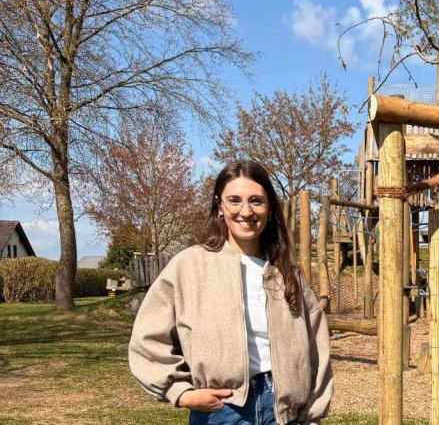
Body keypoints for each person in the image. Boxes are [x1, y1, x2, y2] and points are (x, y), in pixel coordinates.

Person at [129, 160, 333, 425]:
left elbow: (316, 346)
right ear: (219, 207)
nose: (246, 211)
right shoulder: (190, 266)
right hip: (222, 411)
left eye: (256, 201)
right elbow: (148, 337)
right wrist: (180, 392)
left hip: (284, 413)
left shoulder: (287, 273)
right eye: (234, 200)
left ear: (269, 208)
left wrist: (312, 415)